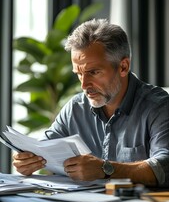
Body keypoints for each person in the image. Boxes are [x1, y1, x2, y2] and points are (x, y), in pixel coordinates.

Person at [13, 19, 169, 187]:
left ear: (123, 67)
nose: (84, 85)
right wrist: (26, 161)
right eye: (79, 74)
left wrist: (105, 169)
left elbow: (164, 166)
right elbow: (43, 148)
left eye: (93, 72)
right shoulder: (75, 108)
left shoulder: (158, 107)